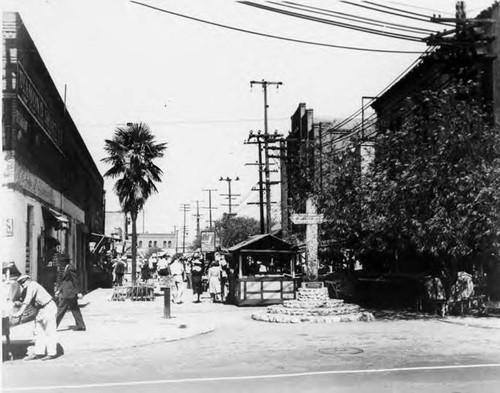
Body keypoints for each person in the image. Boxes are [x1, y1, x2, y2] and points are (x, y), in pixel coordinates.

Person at [12, 275, 58, 360]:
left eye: (23, 282)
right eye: (21, 283)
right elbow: (24, 301)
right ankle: (39, 352)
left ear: (28, 280)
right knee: (38, 331)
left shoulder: (33, 285)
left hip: (48, 306)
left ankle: (52, 353)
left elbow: (27, 300)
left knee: (49, 331)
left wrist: (19, 312)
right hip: (40, 310)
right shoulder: (27, 289)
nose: (23, 284)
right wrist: (18, 303)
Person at [56, 257, 86, 331]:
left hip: (69, 293)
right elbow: (65, 281)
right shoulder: (67, 268)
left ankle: (52, 326)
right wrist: (59, 290)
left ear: (65, 262)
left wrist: (78, 292)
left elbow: (75, 280)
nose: (60, 264)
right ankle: (81, 325)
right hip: (68, 292)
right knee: (74, 309)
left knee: (61, 309)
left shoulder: (70, 268)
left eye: (61, 262)